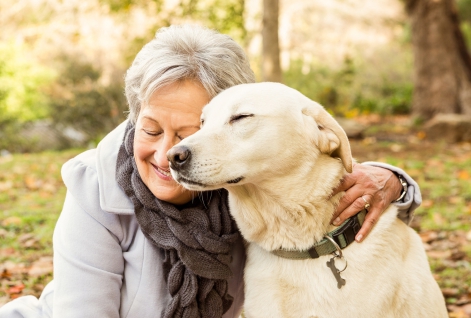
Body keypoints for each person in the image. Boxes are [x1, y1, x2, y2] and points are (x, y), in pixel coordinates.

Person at [0, 24, 421, 318]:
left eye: (190, 132)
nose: (172, 154)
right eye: (149, 129)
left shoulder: (237, 183)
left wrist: (393, 179)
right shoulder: (95, 186)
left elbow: (309, 172)